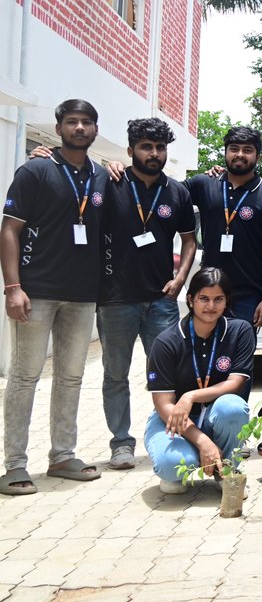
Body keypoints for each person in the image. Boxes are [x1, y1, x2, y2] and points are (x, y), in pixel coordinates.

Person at [1, 99, 110, 495]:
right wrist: (13, 287)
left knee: (71, 377)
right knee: (25, 377)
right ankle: (14, 464)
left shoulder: (101, 176)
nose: (79, 128)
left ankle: (62, 455)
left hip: (82, 295)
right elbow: (9, 229)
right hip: (36, 292)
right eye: (72, 122)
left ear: (96, 130)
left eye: (86, 122)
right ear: (59, 127)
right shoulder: (35, 170)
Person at [97, 118, 198, 471]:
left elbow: (189, 240)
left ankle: (177, 431)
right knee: (115, 374)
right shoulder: (111, 183)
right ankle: (121, 443)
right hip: (116, 299)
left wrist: (181, 278)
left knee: (174, 372)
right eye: (145, 147)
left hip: (162, 300)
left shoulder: (177, 192)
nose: (154, 154)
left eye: (159, 148)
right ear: (130, 151)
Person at [144, 268, 255, 494]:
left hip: (217, 415)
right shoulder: (166, 341)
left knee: (234, 407)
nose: (211, 306)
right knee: (172, 466)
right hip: (176, 419)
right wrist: (202, 441)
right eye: (203, 298)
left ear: (227, 302)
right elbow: (164, 403)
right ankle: (194, 456)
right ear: (190, 300)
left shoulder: (239, 330)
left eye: (218, 299)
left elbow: (235, 383)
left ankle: (226, 469)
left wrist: (191, 395)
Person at [186, 126, 262, 327]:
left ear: (258, 156)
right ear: (225, 152)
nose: (240, 154)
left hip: (249, 294)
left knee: (240, 355)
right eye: (234, 148)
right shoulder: (204, 184)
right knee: (205, 354)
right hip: (208, 291)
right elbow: (166, 191)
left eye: (247, 150)